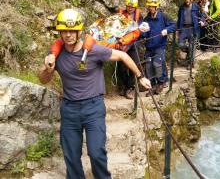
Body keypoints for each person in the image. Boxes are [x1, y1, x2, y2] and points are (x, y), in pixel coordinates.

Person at [38, 9, 151, 179]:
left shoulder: (92, 50)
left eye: (72, 31)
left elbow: (122, 56)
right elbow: (43, 79)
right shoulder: (56, 53)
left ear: (78, 31)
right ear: (60, 32)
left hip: (93, 108)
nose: (68, 35)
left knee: (97, 152)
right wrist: (47, 68)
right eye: (64, 31)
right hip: (69, 109)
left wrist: (140, 77)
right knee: (71, 156)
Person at [141, 0, 175, 96]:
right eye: (149, 6)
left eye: (153, 6)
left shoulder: (164, 17)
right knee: (148, 66)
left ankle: (161, 82)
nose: (151, 8)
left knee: (157, 64)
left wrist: (166, 30)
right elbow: (145, 33)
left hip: (160, 45)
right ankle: (153, 85)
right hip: (149, 46)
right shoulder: (146, 19)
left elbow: (174, 25)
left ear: (157, 6)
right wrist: (143, 33)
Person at [115, 0, 144, 99]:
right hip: (123, 44)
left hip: (134, 44)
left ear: (135, 6)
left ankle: (130, 87)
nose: (130, 8)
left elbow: (139, 30)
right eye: (129, 6)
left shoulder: (138, 16)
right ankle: (127, 85)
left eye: (132, 7)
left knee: (134, 66)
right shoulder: (121, 14)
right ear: (126, 5)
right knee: (121, 69)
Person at [176, 0, 204, 67]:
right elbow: (179, 19)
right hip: (184, 28)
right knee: (180, 45)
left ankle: (190, 63)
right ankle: (189, 51)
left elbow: (202, 15)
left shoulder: (196, 7)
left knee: (192, 45)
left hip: (193, 28)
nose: (187, 0)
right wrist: (178, 29)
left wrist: (202, 21)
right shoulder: (181, 8)